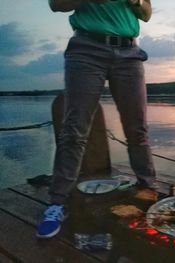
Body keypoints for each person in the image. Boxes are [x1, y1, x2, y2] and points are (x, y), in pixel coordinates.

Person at [36, 0, 156, 238]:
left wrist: (137, 1)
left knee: (138, 130)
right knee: (74, 130)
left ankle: (148, 188)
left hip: (129, 53)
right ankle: (57, 204)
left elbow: (146, 14)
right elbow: (56, 5)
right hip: (86, 50)